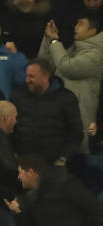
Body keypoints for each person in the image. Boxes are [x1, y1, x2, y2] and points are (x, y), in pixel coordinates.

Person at [6, 152, 103, 226]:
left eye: (20, 172)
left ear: (30, 172)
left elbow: (95, 209)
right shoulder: (30, 199)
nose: (19, 177)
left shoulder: (66, 184)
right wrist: (18, 214)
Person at [38, 16, 103, 152]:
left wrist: (55, 41)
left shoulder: (96, 55)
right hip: (58, 121)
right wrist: (47, 38)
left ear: (92, 31)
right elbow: (43, 66)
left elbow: (67, 68)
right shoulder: (72, 51)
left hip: (80, 125)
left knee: (78, 167)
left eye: (80, 24)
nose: (75, 27)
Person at [11, 58, 83, 167]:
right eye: (27, 76)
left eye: (32, 77)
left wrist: (63, 158)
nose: (27, 80)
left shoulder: (66, 98)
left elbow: (76, 131)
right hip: (23, 164)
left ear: (45, 77)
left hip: (53, 165)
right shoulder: (18, 96)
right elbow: (8, 127)